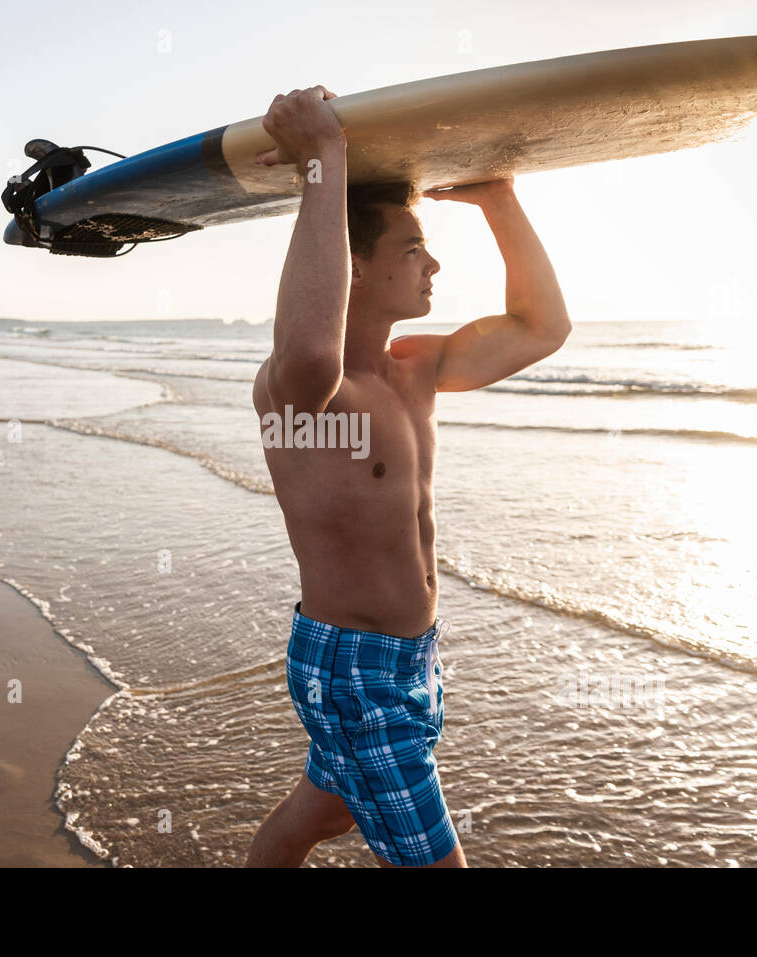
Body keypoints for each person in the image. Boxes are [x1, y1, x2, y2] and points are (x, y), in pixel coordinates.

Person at [244, 86, 572, 867]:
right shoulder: (305, 395)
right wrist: (324, 162)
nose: (433, 262)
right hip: (353, 669)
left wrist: (499, 201)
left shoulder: (415, 370)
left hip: (409, 659)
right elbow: (313, 347)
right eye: (411, 250)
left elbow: (541, 327)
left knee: (315, 818)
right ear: (355, 266)